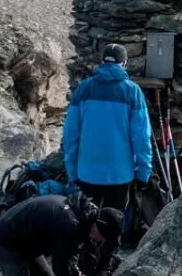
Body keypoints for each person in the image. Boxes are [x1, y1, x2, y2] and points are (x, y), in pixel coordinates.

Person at [61, 43, 153, 212]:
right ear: (125, 63)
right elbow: (141, 137)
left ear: (102, 62)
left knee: (84, 224)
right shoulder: (133, 92)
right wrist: (143, 172)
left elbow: (70, 135)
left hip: (86, 172)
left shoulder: (84, 89)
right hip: (120, 174)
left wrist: (72, 172)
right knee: (112, 226)